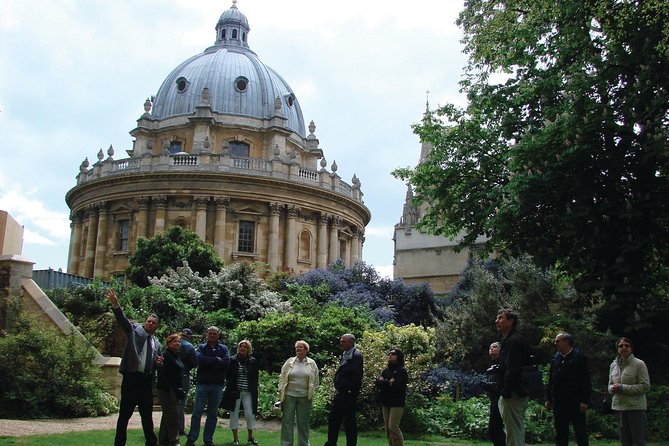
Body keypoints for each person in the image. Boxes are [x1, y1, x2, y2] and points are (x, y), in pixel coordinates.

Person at [107, 288, 162, 446]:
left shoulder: (156, 343)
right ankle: (119, 444)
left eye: (153, 322)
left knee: (147, 417)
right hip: (132, 379)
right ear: (145, 322)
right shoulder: (134, 332)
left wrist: (158, 363)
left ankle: (151, 443)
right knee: (124, 416)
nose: (150, 324)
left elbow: (156, 363)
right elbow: (122, 320)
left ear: (156, 326)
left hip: (146, 382)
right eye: (148, 321)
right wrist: (116, 304)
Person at [185, 326, 230, 446]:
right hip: (203, 384)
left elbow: (226, 362)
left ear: (218, 334)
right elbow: (199, 360)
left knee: (212, 414)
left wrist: (210, 361)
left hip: (217, 385)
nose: (212, 335)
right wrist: (216, 360)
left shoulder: (223, 348)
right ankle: (192, 438)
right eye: (210, 333)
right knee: (197, 412)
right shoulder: (201, 347)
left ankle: (208, 440)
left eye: (214, 333)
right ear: (207, 334)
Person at [545, 332, 592, 446]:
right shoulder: (556, 357)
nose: (555, 343)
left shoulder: (578, 357)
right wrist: (548, 398)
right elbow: (551, 379)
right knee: (560, 433)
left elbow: (585, 380)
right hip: (559, 402)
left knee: (580, 432)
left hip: (575, 402)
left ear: (567, 342)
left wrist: (585, 401)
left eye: (558, 341)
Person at [495, 308, 529, 446]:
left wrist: (506, 392)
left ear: (510, 321)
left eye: (500, 318)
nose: (497, 321)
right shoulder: (510, 339)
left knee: (513, 433)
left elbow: (513, 369)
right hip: (516, 392)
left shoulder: (513, 341)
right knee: (516, 430)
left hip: (513, 394)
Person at [608, 337, 650, 446]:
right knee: (624, 441)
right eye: (621, 346)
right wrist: (611, 388)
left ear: (631, 348)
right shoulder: (613, 365)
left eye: (627, 345)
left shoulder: (639, 364)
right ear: (617, 349)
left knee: (637, 441)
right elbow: (609, 384)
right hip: (619, 408)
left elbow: (645, 386)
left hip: (635, 408)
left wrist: (622, 388)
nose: (624, 348)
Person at [278, 340, 320, 446]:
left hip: (305, 396)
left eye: (300, 347)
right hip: (289, 395)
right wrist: (280, 391)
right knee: (287, 422)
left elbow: (315, 380)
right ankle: (286, 444)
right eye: (297, 347)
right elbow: (282, 377)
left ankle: (304, 443)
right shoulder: (289, 362)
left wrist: (311, 390)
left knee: (303, 423)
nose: (298, 349)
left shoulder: (312, 363)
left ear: (306, 349)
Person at [324, 333, 364, 446]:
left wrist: (347, 387)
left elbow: (356, 376)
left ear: (350, 343)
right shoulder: (345, 354)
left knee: (349, 421)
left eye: (343, 341)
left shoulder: (356, 356)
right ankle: (331, 443)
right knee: (333, 418)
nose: (341, 343)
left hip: (349, 394)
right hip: (341, 393)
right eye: (341, 341)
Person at [225, 340, 260, 446]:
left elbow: (255, 376)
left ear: (248, 349)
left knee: (249, 414)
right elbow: (228, 375)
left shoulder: (252, 361)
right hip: (235, 392)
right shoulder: (232, 360)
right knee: (234, 413)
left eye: (245, 347)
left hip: (248, 392)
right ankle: (235, 438)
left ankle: (250, 437)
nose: (243, 348)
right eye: (241, 346)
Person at [375, 348, 408, 446]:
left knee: (393, 426)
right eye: (389, 353)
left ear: (398, 356)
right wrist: (388, 382)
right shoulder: (386, 371)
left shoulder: (402, 371)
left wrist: (384, 382)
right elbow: (378, 383)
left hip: (397, 402)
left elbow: (396, 386)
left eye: (393, 354)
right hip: (386, 401)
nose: (390, 355)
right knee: (388, 428)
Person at [157, 333, 186, 446]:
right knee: (173, 415)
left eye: (179, 341)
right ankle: (174, 440)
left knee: (167, 415)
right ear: (169, 343)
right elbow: (163, 373)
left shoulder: (176, 355)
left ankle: (163, 441)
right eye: (175, 341)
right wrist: (170, 389)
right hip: (167, 389)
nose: (178, 343)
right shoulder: (165, 355)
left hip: (175, 389)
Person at [177, 328, 198, 436]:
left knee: (171, 402)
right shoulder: (189, 347)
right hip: (184, 375)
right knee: (181, 402)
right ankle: (180, 428)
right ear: (189, 336)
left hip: (171, 376)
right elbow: (195, 363)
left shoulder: (172, 343)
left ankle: (169, 427)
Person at [485, 342, 505, 446]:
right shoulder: (492, 364)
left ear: (500, 350)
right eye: (490, 347)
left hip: (503, 398)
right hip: (494, 399)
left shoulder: (503, 363)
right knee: (494, 427)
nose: (492, 348)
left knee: (495, 426)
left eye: (495, 347)